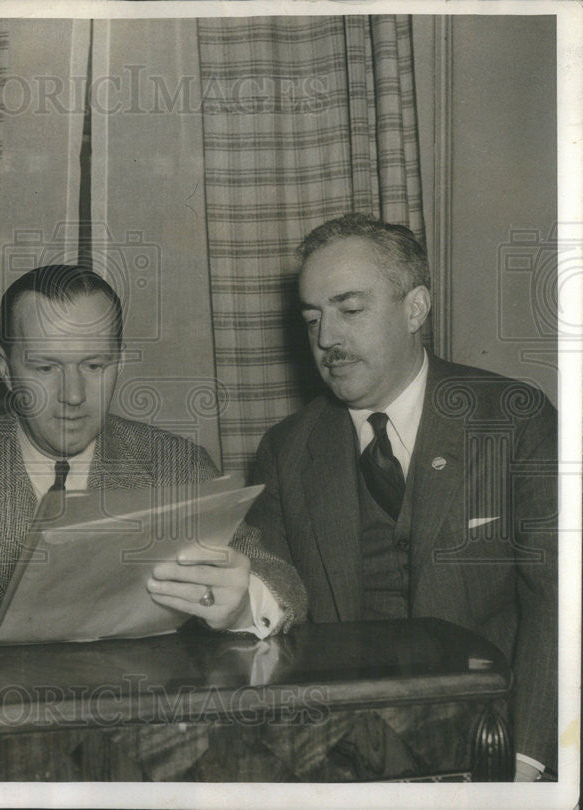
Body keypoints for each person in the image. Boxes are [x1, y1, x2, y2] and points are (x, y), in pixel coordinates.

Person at [247, 213, 557, 780]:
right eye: (312, 317)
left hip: (494, 744)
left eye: (350, 309)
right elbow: (266, 587)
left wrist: (527, 762)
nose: (326, 339)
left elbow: (557, 604)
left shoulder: (511, 420)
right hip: (342, 761)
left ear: (415, 309)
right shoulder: (287, 450)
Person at [0, 264, 307, 646]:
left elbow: (281, 581)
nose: (74, 396)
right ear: (5, 369)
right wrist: (41, 621)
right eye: (45, 368)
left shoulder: (178, 465)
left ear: (118, 362)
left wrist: (242, 603)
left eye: (95, 366)